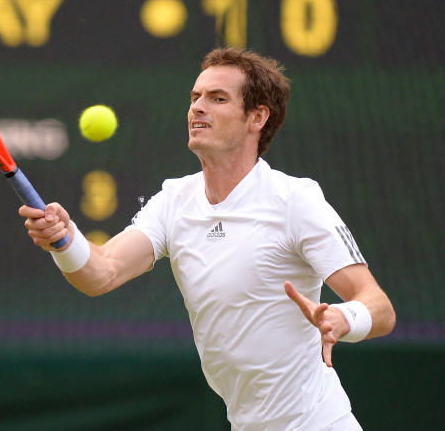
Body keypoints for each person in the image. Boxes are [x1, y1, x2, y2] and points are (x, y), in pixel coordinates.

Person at [21, 47, 395, 431]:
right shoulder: (173, 201)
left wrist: (343, 317)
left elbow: (379, 308)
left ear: (257, 117)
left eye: (218, 99)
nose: (198, 108)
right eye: (195, 97)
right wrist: (63, 241)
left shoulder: (295, 201)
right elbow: (102, 273)